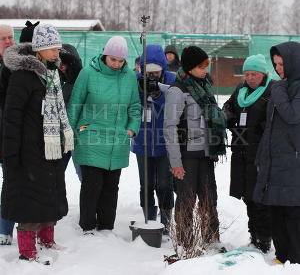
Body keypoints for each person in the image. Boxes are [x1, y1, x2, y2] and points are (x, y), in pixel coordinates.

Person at [1, 24, 73, 263]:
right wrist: (11, 153)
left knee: (49, 195)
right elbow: (12, 116)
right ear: (39, 50)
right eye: (52, 49)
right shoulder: (23, 76)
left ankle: (47, 238)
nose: (56, 53)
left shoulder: (52, 74)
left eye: (58, 49)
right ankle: (27, 249)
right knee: (30, 200)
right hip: (29, 150)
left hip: (49, 147)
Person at [67, 36, 140, 234]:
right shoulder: (88, 73)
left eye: (121, 61)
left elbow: (134, 106)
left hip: (118, 138)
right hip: (90, 136)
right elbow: (75, 104)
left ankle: (107, 228)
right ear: (105, 55)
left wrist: (132, 128)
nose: (116, 64)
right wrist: (69, 133)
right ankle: (88, 227)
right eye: (113, 60)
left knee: (111, 186)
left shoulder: (129, 77)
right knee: (92, 185)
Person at [164, 46, 226, 246]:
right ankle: (185, 243)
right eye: (201, 66)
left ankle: (211, 240)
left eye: (207, 64)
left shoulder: (205, 85)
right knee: (186, 200)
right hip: (187, 155)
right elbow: (169, 127)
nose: (205, 69)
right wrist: (176, 162)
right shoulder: (178, 90)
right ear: (190, 67)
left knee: (210, 198)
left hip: (206, 153)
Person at [253, 42, 300, 264]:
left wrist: (279, 88)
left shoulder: (293, 87)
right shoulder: (283, 86)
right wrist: (262, 156)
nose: (278, 68)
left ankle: (295, 260)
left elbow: (292, 115)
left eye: (282, 63)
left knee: (293, 215)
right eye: (275, 64)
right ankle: (282, 258)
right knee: (277, 213)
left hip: (293, 163)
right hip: (276, 161)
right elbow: (270, 126)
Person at [223, 54, 273, 253]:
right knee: (248, 196)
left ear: (264, 74)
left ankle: (264, 239)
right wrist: (227, 116)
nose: (250, 78)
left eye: (254, 74)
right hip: (241, 150)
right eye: (247, 74)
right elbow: (228, 106)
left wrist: (258, 130)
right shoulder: (240, 90)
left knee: (260, 197)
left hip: (260, 153)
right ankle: (254, 236)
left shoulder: (271, 92)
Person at [131, 45, 176, 234]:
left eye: (156, 71)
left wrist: (158, 95)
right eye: (148, 71)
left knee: (165, 183)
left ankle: (166, 221)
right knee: (146, 183)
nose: (152, 75)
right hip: (143, 142)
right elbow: (130, 104)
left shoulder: (173, 81)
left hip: (166, 143)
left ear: (163, 68)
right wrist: (143, 93)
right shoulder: (136, 81)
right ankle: (148, 220)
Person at [58, 44, 83, 181]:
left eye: (65, 63)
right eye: (59, 63)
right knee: (55, 175)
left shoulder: (82, 80)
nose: (61, 66)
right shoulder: (58, 79)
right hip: (60, 136)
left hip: (78, 136)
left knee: (84, 174)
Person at [0, 24, 15, 245]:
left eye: (11, 37)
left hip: (9, 133)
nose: (8, 41)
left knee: (10, 182)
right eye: (3, 38)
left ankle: (5, 229)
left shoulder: (18, 65)